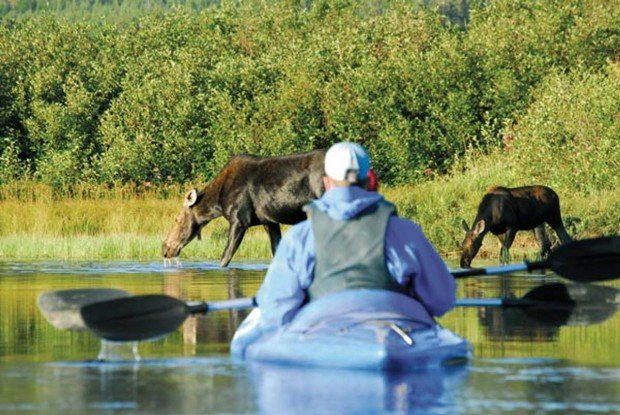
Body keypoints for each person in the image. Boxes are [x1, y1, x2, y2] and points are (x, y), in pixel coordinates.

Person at [231, 142, 456, 354]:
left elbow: (275, 312)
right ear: (368, 181)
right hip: (398, 332)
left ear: (327, 183)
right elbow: (442, 300)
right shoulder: (406, 232)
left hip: (324, 332)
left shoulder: (300, 237)